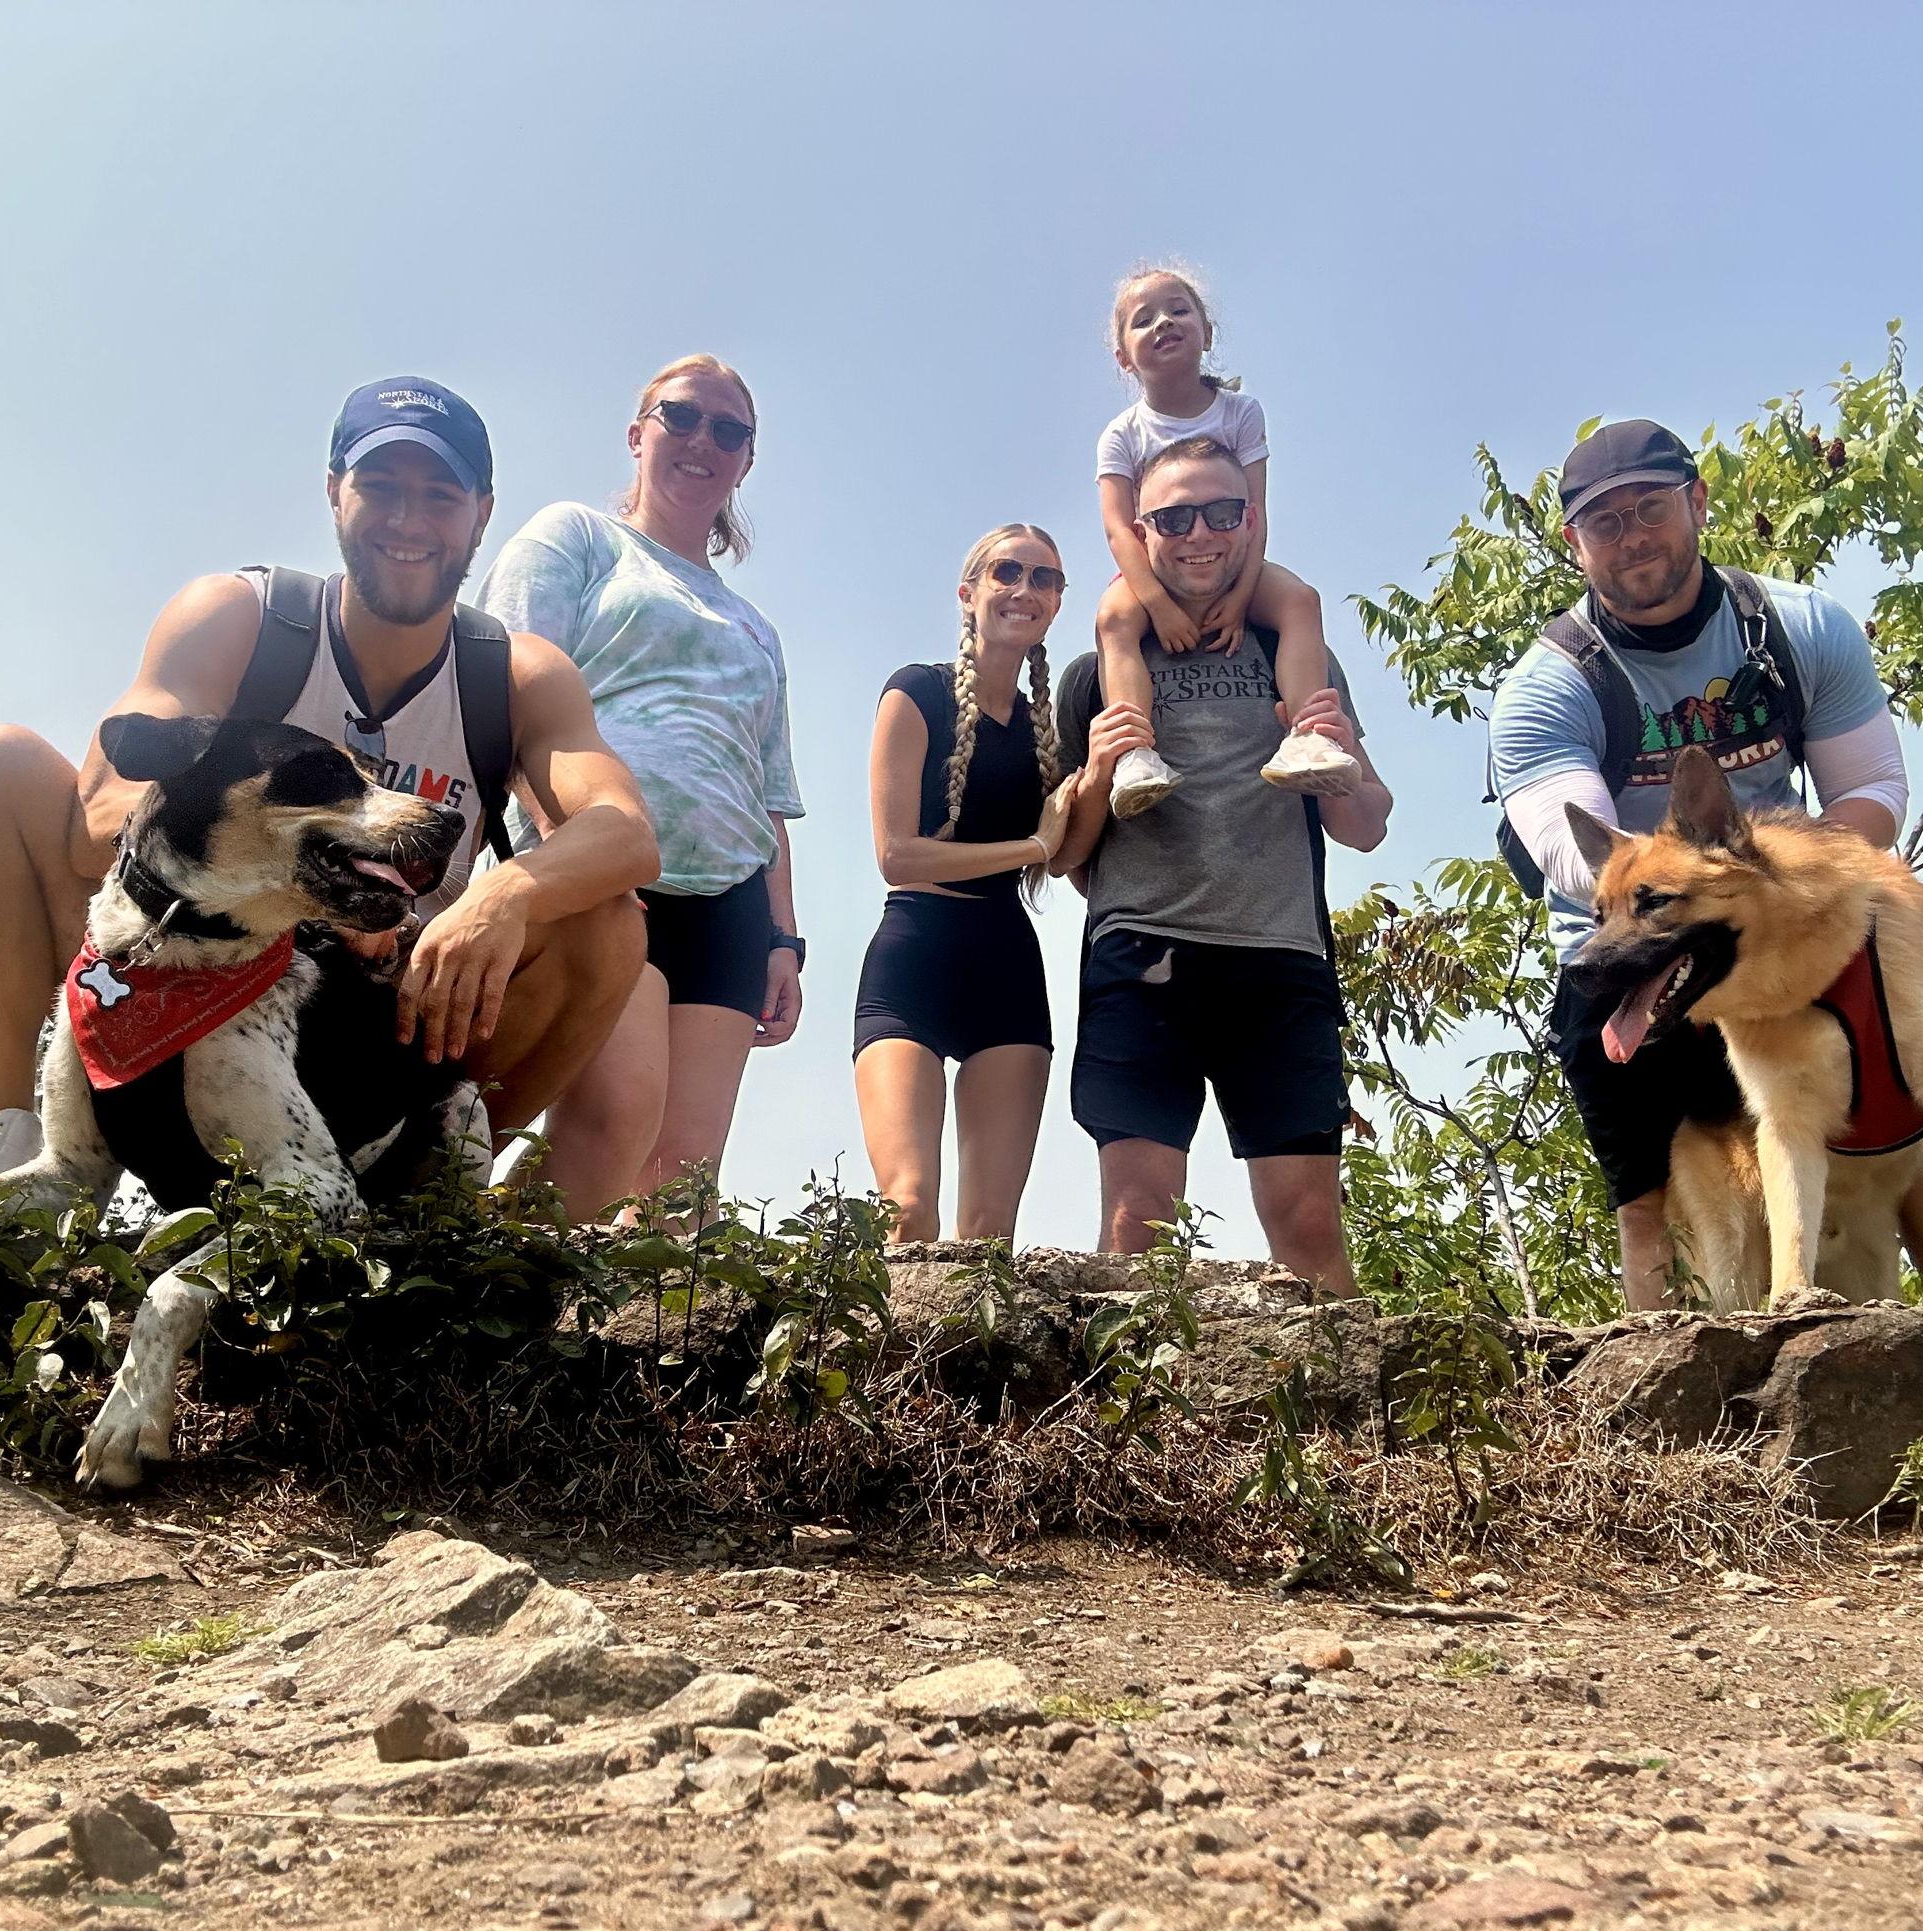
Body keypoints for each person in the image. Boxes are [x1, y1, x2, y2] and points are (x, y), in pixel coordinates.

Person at [0, 377, 657, 1202]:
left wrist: (503, 894)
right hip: (189, 962)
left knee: (607, 927)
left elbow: (624, 832)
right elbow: (104, 817)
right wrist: (305, 891)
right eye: (380, 488)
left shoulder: (513, 675)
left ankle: (421, 1193)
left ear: (482, 512)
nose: (408, 522)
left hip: (378, 1023)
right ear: (335, 492)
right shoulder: (241, 617)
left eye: (439, 496)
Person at [1488, 416, 1923, 1309]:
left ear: (1696, 503)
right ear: (1573, 543)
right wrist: (1679, 896)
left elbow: (1874, 797)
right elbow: (1566, 848)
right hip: (1633, 957)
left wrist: (1768, 891)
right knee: (1652, 1204)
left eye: (1648, 508)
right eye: (1603, 522)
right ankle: (1661, 1410)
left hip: (1783, 924)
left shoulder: (1798, 625)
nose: (1631, 536)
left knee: (1918, 1135)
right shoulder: (1547, 681)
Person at [1053, 435, 1393, 1283]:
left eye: (1220, 512)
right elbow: (1070, 862)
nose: (1198, 533)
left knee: (1309, 1221)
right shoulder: (1093, 673)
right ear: (1143, 529)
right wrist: (1097, 773)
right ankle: (1124, 1414)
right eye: (1174, 517)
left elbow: (1366, 826)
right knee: (1138, 1220)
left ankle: (1341, 1413)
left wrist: (1338, 755)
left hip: (1279, 954)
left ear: (1249, 523)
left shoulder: (1295, 647)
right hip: (1142, 952)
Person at [476, 356, 803, 1213]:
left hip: (730, 898)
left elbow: (767, 791)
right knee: (614, 1117)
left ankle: (624, 1348)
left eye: (728, 431)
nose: (703, 441)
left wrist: (784, 938)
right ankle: (504, 1305)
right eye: (681, 417)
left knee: (681, 1181)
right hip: (596, 866)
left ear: (746, 460)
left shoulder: (757, 628)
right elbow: (506, 689)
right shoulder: (575, 538)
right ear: (637, 433)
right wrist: (568, 848)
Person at [853, 525, 1082, 1242]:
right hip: (915, 953)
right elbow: (897, 855)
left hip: (1007, 968)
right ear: (969, 592)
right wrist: (1031, 844)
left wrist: (1098, 774)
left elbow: (1066, 859)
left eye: (1043, 578)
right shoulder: (916, 691)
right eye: (1005, 572)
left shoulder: (1047, 730)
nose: (1024, 589)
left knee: (988, 1239)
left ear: (1057, 601)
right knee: (908, 1207)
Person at [1094, 266, 1361, 818]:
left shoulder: (1241, 413)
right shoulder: (1123, 434)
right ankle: (1136, 754)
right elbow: (1121, 529)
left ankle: (1311, 736)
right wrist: (1160, 607)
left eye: (1178, 310)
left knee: (1300, 601)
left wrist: (1240, 600)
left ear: (1206, 332)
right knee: (1113, 621)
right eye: (1143, 320)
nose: (1164, 322)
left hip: (1237, 564)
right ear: (1123, 356)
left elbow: (1254, 514)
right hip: (1150, 573)